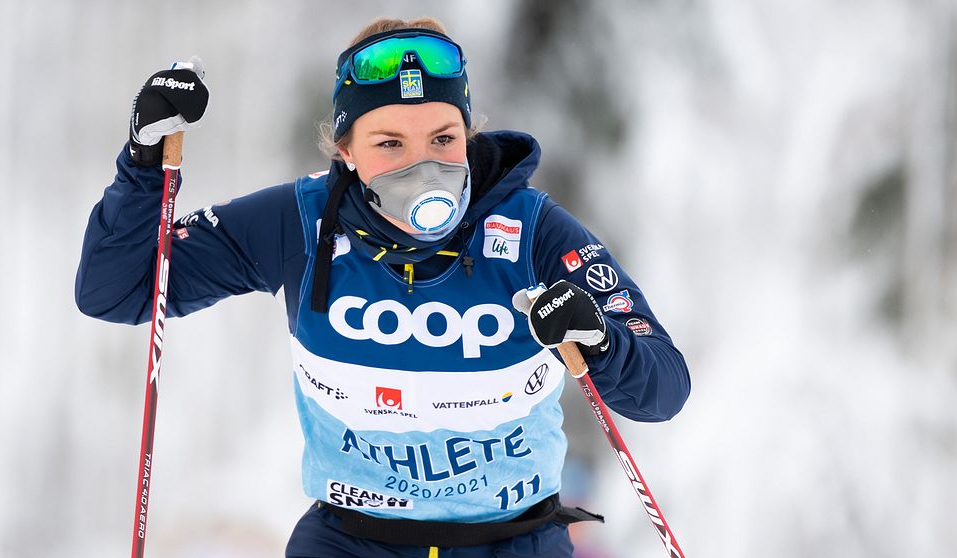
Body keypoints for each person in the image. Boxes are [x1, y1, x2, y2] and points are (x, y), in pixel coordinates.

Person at [76, 16, 690, 558]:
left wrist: (602, 339)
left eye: (443, 139)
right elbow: (119, 288)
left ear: (469, 135)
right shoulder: (301, 222)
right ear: (345, 150)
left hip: (513, 540)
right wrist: (143, 160)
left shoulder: (530, 231)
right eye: (390, 144)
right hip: (351, 538)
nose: (423, 166)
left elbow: (663, 388)